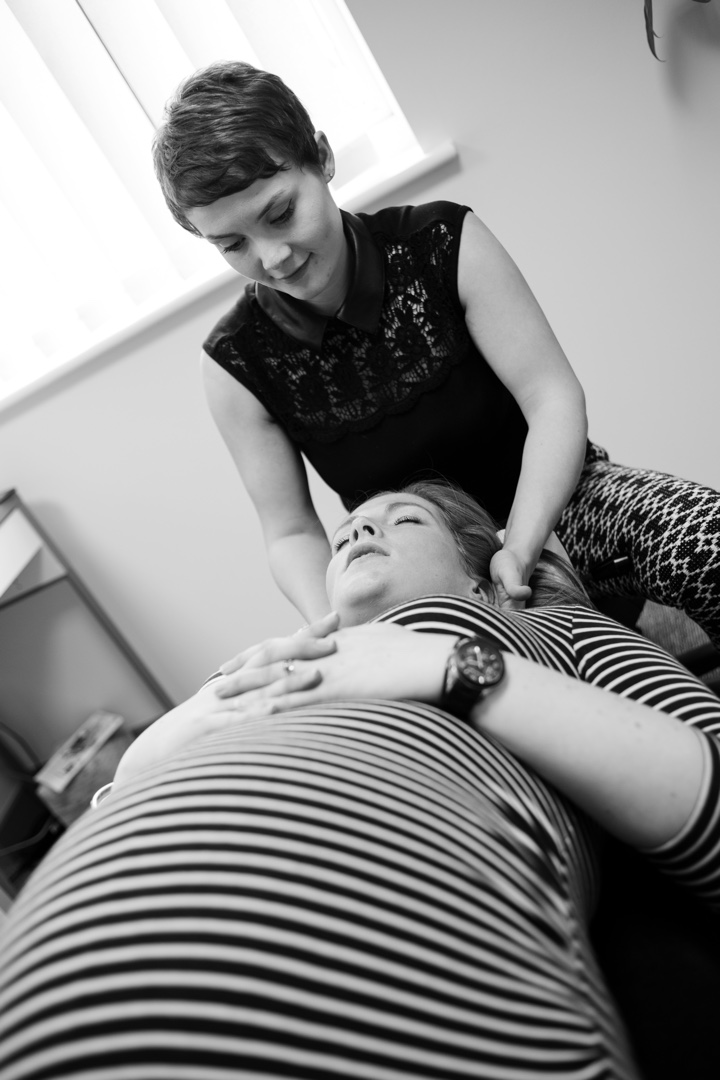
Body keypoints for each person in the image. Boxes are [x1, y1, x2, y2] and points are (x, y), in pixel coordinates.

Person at [2, 481, 719, 1080]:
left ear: (481, 574)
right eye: (347, 530)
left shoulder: (553, 633)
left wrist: (456, 670)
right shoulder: (271, 659)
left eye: (403, 520)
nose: (358, 532)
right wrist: (137, 770)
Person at [150, 60, 720, 645]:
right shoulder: (234, 363)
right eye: (233, 245)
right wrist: (339, 624)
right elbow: (291, 530)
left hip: (562, 504)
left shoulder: (444, 242)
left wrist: (520, 545)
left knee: (708, 541)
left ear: (321, 157)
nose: (272, 259)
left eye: (281, 214)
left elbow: (552, 398)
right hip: (417, 576)